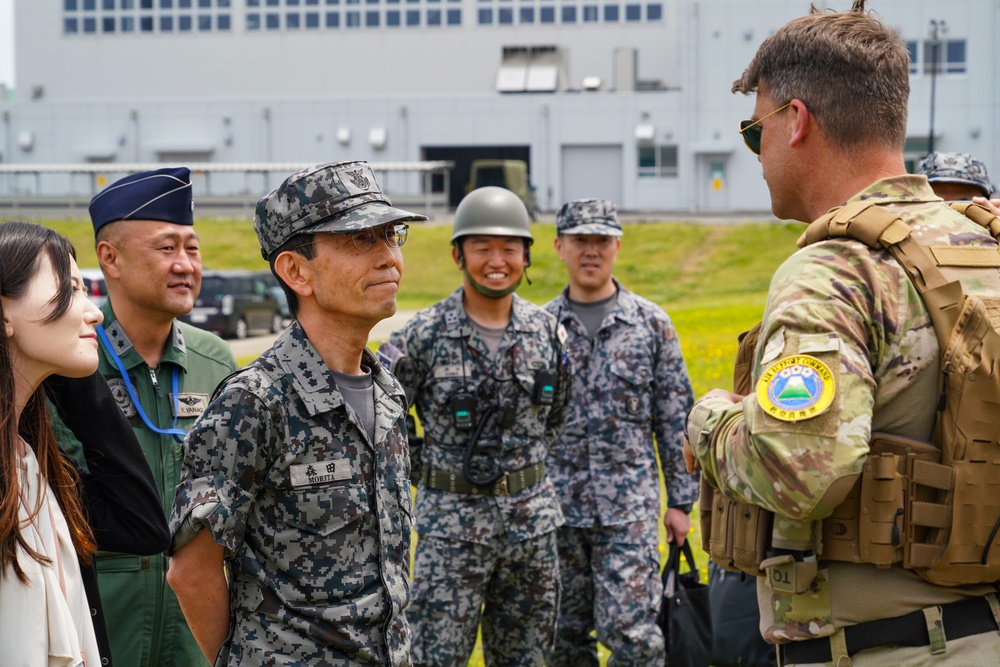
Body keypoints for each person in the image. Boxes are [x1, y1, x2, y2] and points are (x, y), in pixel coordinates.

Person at [685, 2, 1000, 666]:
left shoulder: (833, 268)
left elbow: (798, 468)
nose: (756, 152)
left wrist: (708, 422)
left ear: (795, 121)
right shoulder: (985, 242)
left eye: (754, 130)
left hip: (887, 646)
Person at [166, 160, 424, 665]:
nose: (389, 257)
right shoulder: (256, 402)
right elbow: (191, 570)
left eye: (391, 236)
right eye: (359, 241)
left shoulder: (387, 393)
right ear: (295, 271)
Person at [55, 166, 239, 667]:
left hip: (193, 625)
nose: (185, 264)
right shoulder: (69, 361)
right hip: (98, 620)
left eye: (192, 248)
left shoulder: (215, 361)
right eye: (166, 248)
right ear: (109, 258)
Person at [384, 185, 569, 667]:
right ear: (457, 255)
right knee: (433, 656)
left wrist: (521, 466)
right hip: (451, 532)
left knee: (528, 656)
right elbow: (388, 420)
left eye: (510, 248)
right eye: (482, 247)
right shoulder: (422, 335)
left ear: (526, 257)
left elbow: (556, 414)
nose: (497, 259)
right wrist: (436, 471)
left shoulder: (547, 332)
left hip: (532, 528)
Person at [0, 222, 170, 666]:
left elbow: (143, 524)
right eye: (69, 289)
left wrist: (67, 367)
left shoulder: (30, 463)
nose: (94, 312)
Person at [542, 198, 697, 667]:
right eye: (580, 241)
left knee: (634, 636)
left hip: (628, 512)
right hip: (556, 511)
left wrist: (681, 502)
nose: (591, 251)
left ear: (617, 246)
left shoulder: (651, 324)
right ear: (559, 247)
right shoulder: (539, 328)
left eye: (601, 240)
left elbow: (675, 418)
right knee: (563, 638)